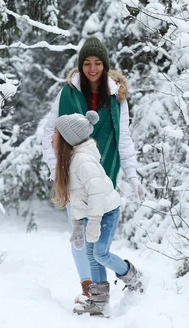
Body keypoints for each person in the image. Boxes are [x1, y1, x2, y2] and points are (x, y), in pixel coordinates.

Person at [42, 36, 145, 307]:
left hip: (104, 173)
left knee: (95, 242)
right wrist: (56, 172)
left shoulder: (117, 98)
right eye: (87, 63)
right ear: (80, 64)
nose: (92, 68)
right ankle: (90, 291)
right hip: (71, 175)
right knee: (80, 236)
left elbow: (123, 138)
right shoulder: (68, 93)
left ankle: (107, 289)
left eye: (97, 63)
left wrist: (133, 175)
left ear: (105, 65)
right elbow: (50, 132)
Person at [50, 110, 143, 317]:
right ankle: (100, 303)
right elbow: (76, 197)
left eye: (55, 133)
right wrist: (77, 225)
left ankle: (134, 277)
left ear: (67, 139)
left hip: (105, 211)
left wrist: (93, 222)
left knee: (100, 254)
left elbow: (97, 194)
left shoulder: (83, 161)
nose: (52, 137)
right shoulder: (70, 161)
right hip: (91, 213)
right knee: (93, 258)